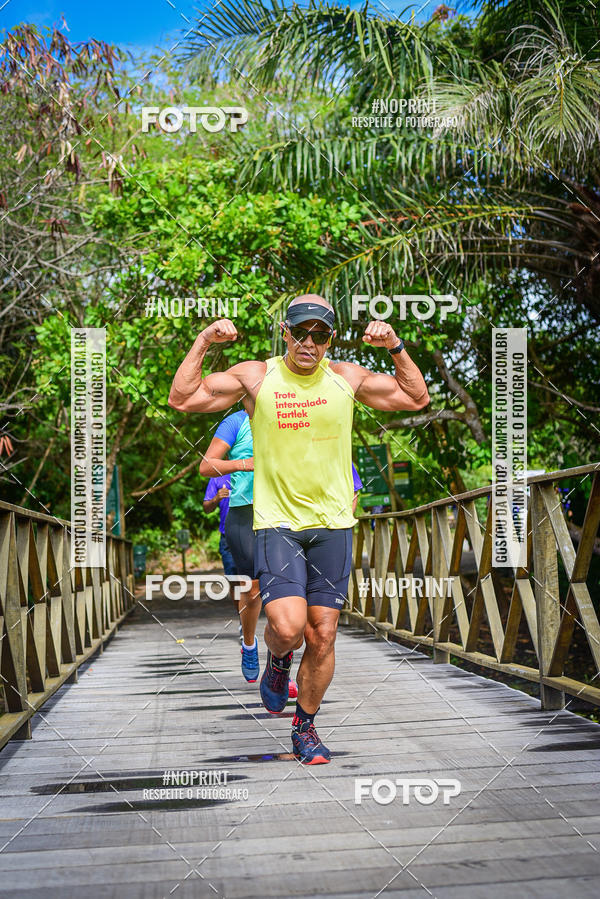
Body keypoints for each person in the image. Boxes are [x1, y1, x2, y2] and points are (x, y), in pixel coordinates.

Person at [169, 294, 429, 764]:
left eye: (321, 334)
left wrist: (395, 346)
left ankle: (305, 728)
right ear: (285, 333)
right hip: (278, 523)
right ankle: (277, 660)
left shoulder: (345, 377)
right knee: (288, 629)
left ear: (330, 338)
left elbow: (416, 397)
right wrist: (205, 339)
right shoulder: (257, 377)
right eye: (301, 332)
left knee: (323, 634)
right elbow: (183, 397)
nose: (310, 343)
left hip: (333, 525)